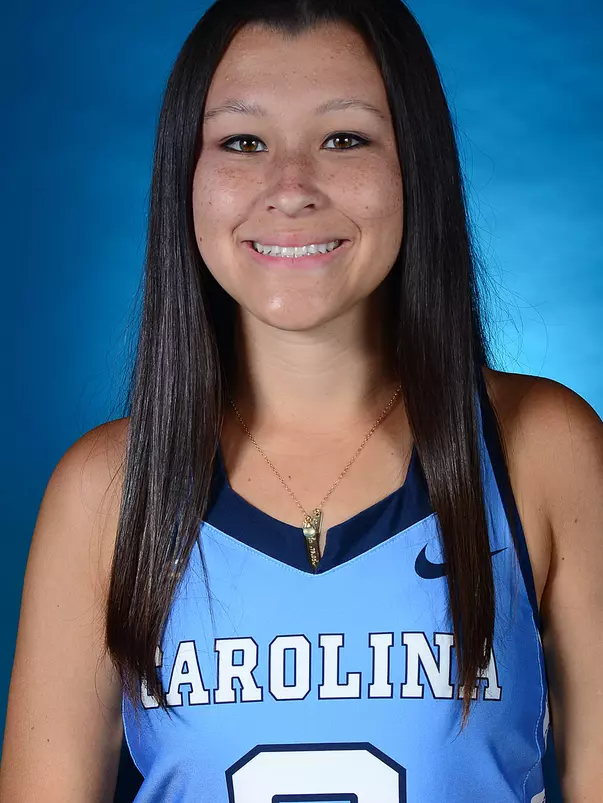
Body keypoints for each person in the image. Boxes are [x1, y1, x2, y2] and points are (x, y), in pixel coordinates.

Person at [1, 0, 602, 800]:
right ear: (186, 173)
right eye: (242, 142)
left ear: (412, 164)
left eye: (343, 138)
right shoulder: (104, 490)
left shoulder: (540, 448)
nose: (290, 187)